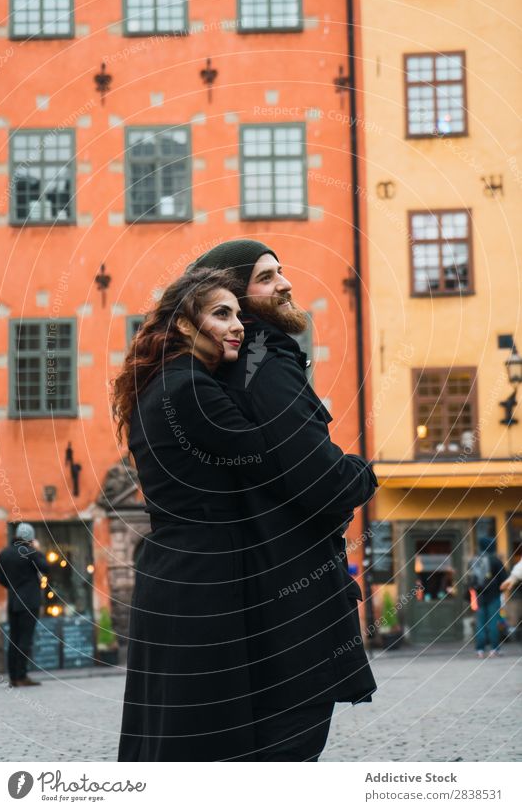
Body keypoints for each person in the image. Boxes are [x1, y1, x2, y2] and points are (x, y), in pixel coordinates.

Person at [190, 239, 378, 761]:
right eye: (266, 277)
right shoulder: (266, 363)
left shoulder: (229, 367)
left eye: (281, 271)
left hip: (257, 597)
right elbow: (322, 481)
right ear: (235, 297)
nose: (285, 283)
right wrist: (363, 472)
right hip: (294, 603)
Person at [112, 267, 284, 762]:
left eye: (239, 315)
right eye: (222, 314)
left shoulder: (165, 383)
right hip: (202, 579)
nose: (238, 326)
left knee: (170, 724)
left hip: (176, 571)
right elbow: (268, 456)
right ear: (187, 325)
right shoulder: (189, 387)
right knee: (204, 729)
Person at [0, 522, 50, 687]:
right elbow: (46, 567)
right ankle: (21, 676)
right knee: (25, 639)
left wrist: (13, 588)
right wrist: (38, 549)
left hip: (13, 602)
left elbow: (0, 578)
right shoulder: (30, 552)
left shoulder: (4, 553)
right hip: (29, 602)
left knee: (14, 639)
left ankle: (13, 677)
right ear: (30, 538)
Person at [468, 536, 508, 657]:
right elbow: (504, 579)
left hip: (478, 596)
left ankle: (479, 650)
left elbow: (469, 580)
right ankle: (494, 649)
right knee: (493, 622)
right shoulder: (495, 560)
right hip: (493, 596)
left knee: (480, 623)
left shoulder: (473, 560)